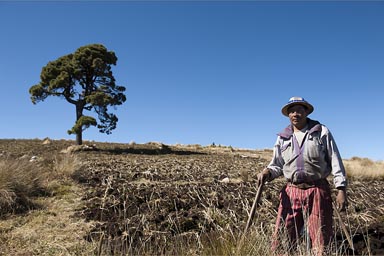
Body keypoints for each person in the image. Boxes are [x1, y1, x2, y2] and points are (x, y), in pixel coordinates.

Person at [257, 96, 348, 255]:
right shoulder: (283, 137)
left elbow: (335, 160)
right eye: (292, 111)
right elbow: (277, 164)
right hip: (292, 190)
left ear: (306, 112)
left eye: (299, 110)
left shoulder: (321, 132)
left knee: (320, 236)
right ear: (288, 115)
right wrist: (267, 172)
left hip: (317, 189)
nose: (295, 114)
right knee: (284, 234)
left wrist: (341, 189)